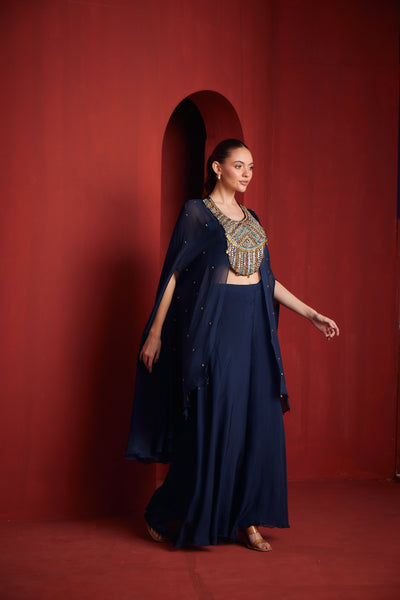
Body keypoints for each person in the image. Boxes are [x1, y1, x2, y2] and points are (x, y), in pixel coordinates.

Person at [125, 139, 339, 552]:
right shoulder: (196, 213)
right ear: (217, 167)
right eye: (239, 165)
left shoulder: (252, 218)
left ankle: (247, 519)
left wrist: (310, 313)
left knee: (256, 420)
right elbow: (174, 273)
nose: (247, 174)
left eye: (251, 167)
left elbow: (267, 279)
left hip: (255, 328)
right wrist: (155, 331)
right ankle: (165, 512)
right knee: (214, 420)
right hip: (215, 327)